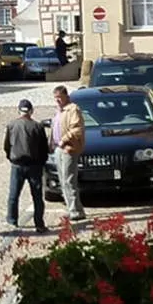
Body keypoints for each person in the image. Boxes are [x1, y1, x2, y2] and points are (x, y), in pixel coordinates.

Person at [4, 99, 49, 232]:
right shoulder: (37, 126)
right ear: (31, 111)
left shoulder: (11, 125)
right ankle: (39, 224)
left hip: (17, 164)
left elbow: (7, 145)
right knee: (37, 196)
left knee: (13, 194)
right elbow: (43, 148)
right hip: (34, 165)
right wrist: (42, 162)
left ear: (19, 111)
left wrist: (10, 157)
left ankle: (12, 220)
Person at [51, 85, 86, 222]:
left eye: (59, 97)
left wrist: (63, 140)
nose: (57, 100)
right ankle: (73, 208)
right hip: (58, 149)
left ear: (66, 96)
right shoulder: (59, 110)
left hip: (68, 149)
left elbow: (77, 129)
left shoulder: (73, 109)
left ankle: (75, 211)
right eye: (55, 98)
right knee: (62, 180)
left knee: (69, 180)